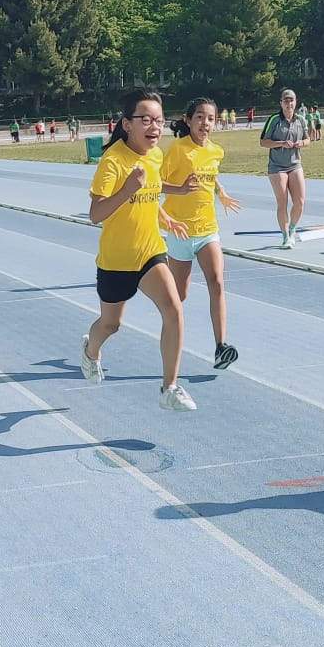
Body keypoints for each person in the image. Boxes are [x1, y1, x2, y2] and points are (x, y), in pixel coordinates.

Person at [81, 88, 197, 411]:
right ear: (127, 124)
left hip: (149, 252)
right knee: (110, 324)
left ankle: (169, 388)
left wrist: (165, 217)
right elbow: (95, 214)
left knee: (174, 308)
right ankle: (90, 351)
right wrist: (127, 189)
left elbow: (153, 190)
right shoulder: (113, 161)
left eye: (159, 120)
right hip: (116, 260)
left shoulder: (156, 155)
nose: (154, 127)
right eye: (145, 119)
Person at [161, 96, 242, 370]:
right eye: (200, 117)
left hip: (208, 229)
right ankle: (171, 340)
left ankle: (221, 346)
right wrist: (180, 190)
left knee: (217, 283)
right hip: (180, 231)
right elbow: (154, 183)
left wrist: (222, 192)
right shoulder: (176, 150)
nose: (205, 123)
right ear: (188, 120)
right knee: (178, 297)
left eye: (210, 118)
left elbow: (210, 173)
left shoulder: (216, 151)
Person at [259, 88, 310, 248]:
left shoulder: (301, 120)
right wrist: (280, 143)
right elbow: (263, 142)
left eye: (291, 100)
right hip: (277, 167)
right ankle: (285, 235)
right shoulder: (274, 119)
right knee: (283, 202)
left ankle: (293, 229)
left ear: (296, 102)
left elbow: (308, 139)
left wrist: (301, 143)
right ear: (281, 103)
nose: (289, 103)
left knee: (300, 202)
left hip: (295, 164)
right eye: (286, 100)